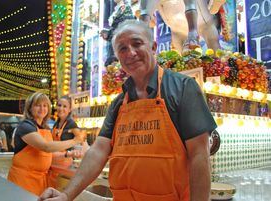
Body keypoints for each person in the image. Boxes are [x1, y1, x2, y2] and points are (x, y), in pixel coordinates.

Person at [39, 20, 216, 201]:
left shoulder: (183, 88)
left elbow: (199, 156)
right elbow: (99, 151)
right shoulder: (118, 103)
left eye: (137, 44)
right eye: (122, 49)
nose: (130, 53)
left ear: (153, 47)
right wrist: (66, 195)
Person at [7, 92, 85, 196]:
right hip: (23, 181)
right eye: (37, 105)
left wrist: (67, 154)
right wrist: (75, 141)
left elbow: (48, 154)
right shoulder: (25, 126)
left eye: (45, 105)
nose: (42, 108)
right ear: (30, 108)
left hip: (40, 182)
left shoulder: (45, 128)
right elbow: (46, 147)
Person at [139, 0, 226, 53]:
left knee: (213, 45)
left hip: (203, 22)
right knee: (184, 62)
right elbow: (145, 10)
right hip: (177, 28)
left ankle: (193, 32)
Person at [48, 95, 89, 188]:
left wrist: (86, 158)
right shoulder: (56, 123)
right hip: (53, 162)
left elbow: (82, 139)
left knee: (61, 188)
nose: (61, 108)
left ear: (70, 109)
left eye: (64, 106)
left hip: (65, 163)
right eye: (59, 105)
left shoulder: (71, 123)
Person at [100, 0, 134, 66]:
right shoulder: (116, 9)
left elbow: (124, 26)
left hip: (121, 44)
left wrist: (109, 34)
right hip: (114, 44)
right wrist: (107, 34)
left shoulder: (125, 8)